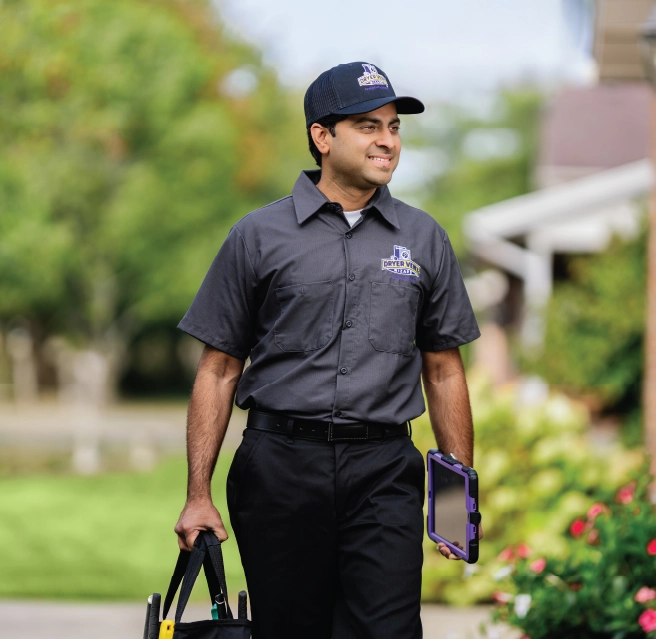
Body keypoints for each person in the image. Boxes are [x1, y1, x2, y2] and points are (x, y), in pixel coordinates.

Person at [174, 61, 483, 639]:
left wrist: (453, 504)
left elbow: (442, 370)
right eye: (368, 126)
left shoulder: (423, 238)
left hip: (384, 472)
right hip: (279, 468)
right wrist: (198, 496)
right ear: (323, 136)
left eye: (393, 127)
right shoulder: (258, 235)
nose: (387, 140)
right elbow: (218, 369)